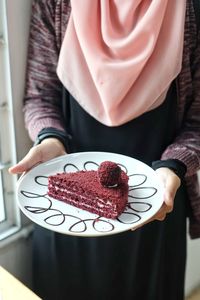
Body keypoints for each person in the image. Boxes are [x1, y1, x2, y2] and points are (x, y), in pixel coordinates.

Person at [9, 0, 200, 299]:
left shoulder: (191, 9)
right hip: (64, 214)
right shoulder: (55, 3)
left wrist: (175, 164)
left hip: (155, 212)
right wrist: (50, 139)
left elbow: (197, 120)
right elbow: (39, 96)